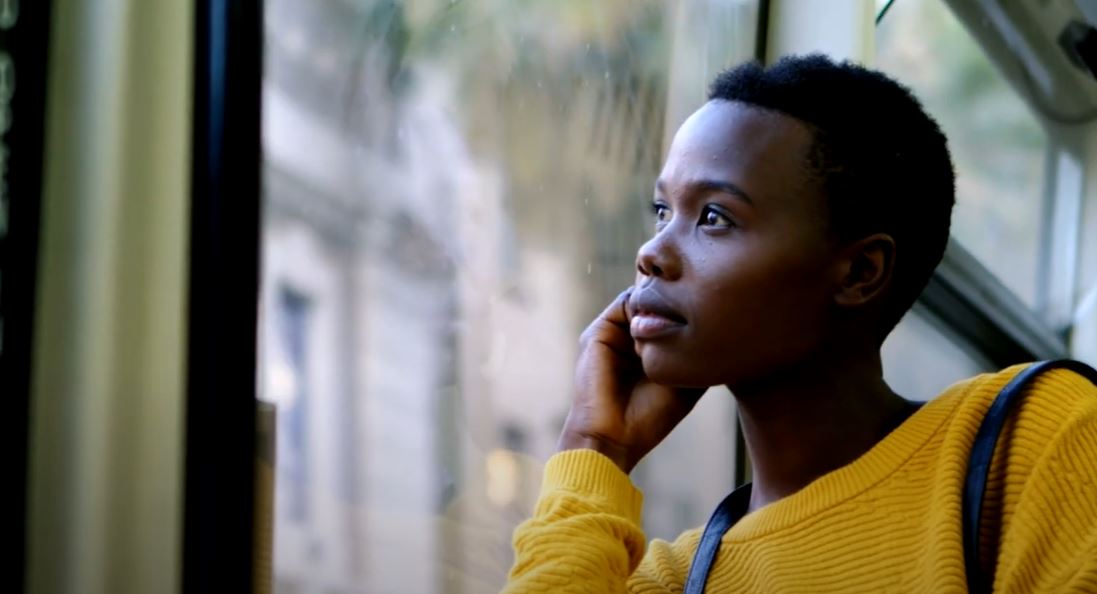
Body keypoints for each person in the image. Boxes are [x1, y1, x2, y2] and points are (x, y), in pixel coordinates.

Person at [502, 54, 1097, 592]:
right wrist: (595, 446)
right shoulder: (672, 581)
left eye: (713, 216)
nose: (651, 252)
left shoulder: (1033, 441)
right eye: (662, 210)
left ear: (860, 271)